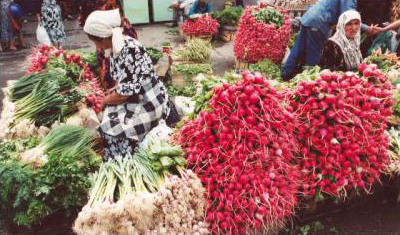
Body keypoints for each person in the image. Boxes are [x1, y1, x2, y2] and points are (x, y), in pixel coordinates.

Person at [84, 9, 180, 160]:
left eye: (95, 41)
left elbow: (126, 93)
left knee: (112, 131)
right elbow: (125, 80)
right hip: (134, 95)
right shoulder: (117, 46)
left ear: (103, 38)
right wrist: (114, 91)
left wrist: (104, 101)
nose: (97, 46)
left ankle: (124, 160)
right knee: (108, 116)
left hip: (148, 100)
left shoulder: (129, 49)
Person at [282, 0, 377, 80]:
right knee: (314, 56)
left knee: (298, 48)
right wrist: (366, 28)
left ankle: (285, 75)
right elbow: (348, 15)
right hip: (319, 22)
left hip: (309, 17)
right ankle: (310, 81)